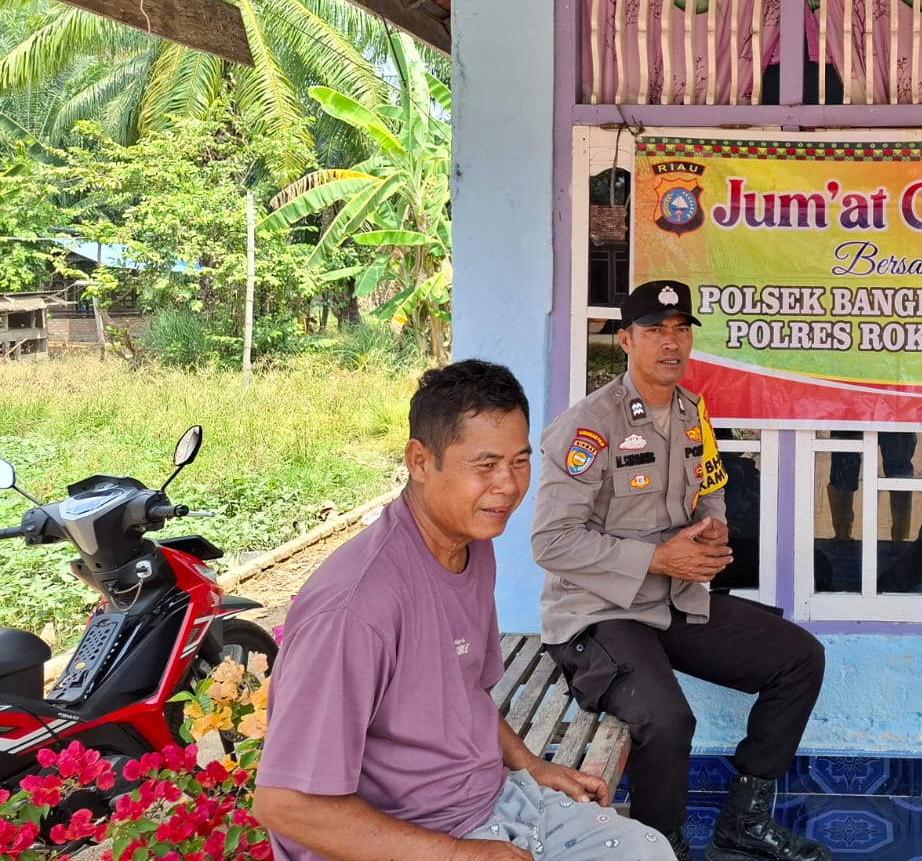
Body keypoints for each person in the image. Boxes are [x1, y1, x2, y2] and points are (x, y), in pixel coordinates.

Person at [253, 360, 673, 861]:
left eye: (519, 461)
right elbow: (287, 805)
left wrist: (531, 764)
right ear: (419, 461)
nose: (508, 485)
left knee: (648, 850)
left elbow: (466, 689)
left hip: (492, 803)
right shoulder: (355, 608)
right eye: (485, 465)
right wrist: (457, 853)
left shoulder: (470, 543)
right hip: (407, 839)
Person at [531, 279, 830, 861]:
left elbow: (710, 488)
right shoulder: (590, 425)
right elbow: (551, 542)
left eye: (680, 329)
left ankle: (743, 821)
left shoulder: (693, 413)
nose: (671, 342)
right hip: (599, 613)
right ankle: (659, 846)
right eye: (654, 330)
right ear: (625, 340)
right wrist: (657, 558)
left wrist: (712, 526)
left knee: (799, 658)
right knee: (667, 719)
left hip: (673, 599)